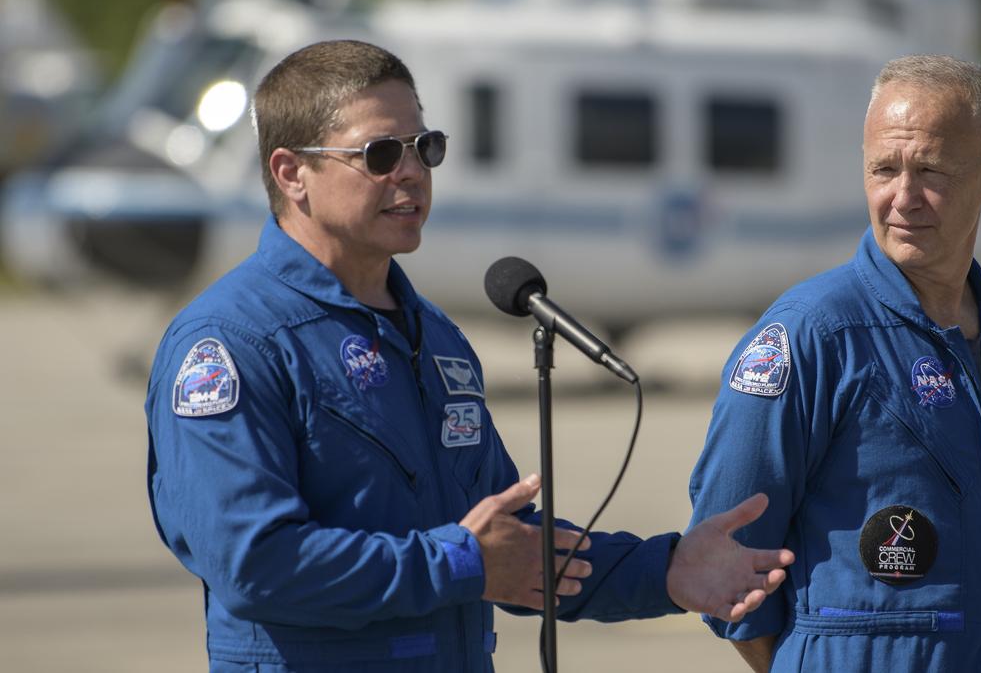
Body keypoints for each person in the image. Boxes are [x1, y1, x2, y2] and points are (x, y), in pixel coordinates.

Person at [144, 39, 793, 672]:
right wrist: (459, 562)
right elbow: (253, 565)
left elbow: (509, 546)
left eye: (425, 148)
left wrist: (668, 570)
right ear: (292, 173)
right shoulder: (231, 343)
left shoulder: (438, 338)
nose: (411, 172)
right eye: (379, 153)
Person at [687, 55, 981, 672]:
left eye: (932, 171)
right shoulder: (811, 332)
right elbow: (725, 553)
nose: (903, 197)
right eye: (884, 169)